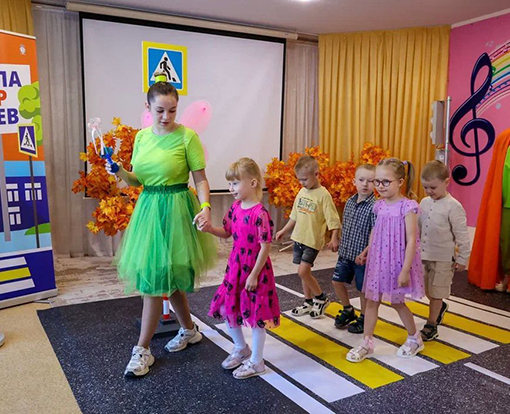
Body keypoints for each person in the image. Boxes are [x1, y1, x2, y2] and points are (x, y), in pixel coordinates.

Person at [108, 71, 217, 377]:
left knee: (161, 280)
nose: (166, 116)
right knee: (159, 279)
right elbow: (137, 180)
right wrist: (119, 170)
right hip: (149, 210)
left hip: (178, 210)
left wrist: (206, 207)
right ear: (148, 107)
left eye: (172, 110)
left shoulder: (187, 137)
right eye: (160, 110)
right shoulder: (141, 137)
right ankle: (189, 330)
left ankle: (142, 349)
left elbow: (201, 179)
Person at [202, 158, 280, 379]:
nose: (231, 188)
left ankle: (257, 362)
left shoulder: (260, 213)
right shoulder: (235, 208)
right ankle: (241, 347)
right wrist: (210, 229)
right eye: (230, 183)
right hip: (236, 267)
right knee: (227, 307)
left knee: (256, 316)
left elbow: (265, 247)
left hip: (255, 270)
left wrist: (254, 275)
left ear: (253, 183)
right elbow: (227, 232)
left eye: (235, 183)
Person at [346, 158, 425, 362]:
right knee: (372, 301)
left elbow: (411, 240)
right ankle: (367, 342)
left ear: (400, 182)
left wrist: (405, 270)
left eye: (386, 182)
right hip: (378, 261)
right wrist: (367, 250)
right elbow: (376, 231)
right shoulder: (378, 205)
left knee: (398, 303)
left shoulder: (408, 207)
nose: (380, 186)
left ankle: (415, 338)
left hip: (397, 263)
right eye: (377, 181)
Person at [275, 156, 340, 319]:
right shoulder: (302, 192)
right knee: (305, 273)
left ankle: (321, 297)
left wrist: (334, 237)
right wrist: (284, 230)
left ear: (316, 174)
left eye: (304, 179)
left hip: (312, 240)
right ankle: (308, 301)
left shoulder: (323, 195)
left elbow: (333, 219)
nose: (301, 183)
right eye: (299, 179)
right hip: (299, 238)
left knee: (302, 272)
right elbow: (294, 216)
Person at [419, 161, 470, 341]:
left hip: (443, 258)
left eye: (433, 187)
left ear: (446, 182)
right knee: (427, 290)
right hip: (424, 255)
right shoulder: (424, 202)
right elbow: (419, 228)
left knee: (436, 292)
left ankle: (431, 324)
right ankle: (440, 307)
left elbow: (462, 235)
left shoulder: (453, 206)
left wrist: (463, 258)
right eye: (425, 187)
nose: (429, 191)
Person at [332, 164, 376, 333]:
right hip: (346, 253)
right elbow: (346, 225)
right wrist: (338, 240)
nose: (365, 184)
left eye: (370, 181)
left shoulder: (374, 207)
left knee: (362, 289)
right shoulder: (350, 202)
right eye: (361, 180)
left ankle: (364, 317)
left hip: (362, 258)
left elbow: (375, 232)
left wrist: (367, 252)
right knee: (336, 281)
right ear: (354, 182)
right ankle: (348, 309)